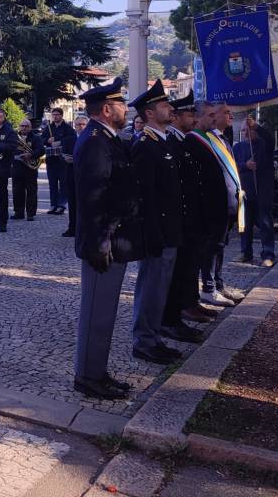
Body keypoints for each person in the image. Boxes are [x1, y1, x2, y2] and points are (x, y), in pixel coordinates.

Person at [72, 77, 140, 400]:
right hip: (103, 243)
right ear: (106, 109)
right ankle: (87, 376)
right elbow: (92, 198)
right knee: (96, 313)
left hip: (112, 239)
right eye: (121, 104)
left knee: (105, 311)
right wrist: (101, 241)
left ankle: (97, 370)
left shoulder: (107, 138)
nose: (126, 109)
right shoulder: (96, 142)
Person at [129, 81, 183, 366]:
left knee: (160, 288)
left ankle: (154, 337)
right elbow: (144, 197)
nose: (170, 109)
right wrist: (151, 234)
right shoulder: (145, 146)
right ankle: (144, 341)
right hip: (157, 233)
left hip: (169, 230)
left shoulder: (162, 142)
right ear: (150, 113)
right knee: (151, 287)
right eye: (164, 105)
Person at [161, 92, 207, 343]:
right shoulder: (173, 143)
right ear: (176, 117)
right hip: (179, 220)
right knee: (176, 274)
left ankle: (175, 317)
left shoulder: (182, 142)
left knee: (183, 271)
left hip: (187, 219)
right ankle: (170, 320)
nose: (194, 118)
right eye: (190, 114)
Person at [182, 101, 237, 309]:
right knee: (208, 250)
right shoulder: (194, 140)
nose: (214, 118)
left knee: (218, 247)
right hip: (208, 209)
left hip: (223, 206)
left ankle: (215, 285)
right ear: (198, 118)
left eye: (216, 114)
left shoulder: (214, 138)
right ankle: (207, 288)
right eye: (211, 114)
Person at [234, 114, 276, 266]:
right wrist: (245, 165)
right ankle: (246, 253)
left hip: (262, 191)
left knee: (265, 223)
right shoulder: (238, 147)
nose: (246, 133)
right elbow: (232, 165)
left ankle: (268, 254)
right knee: (244, 225)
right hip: (244, 191)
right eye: (244, 131)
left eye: (249, 130)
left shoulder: (264, 145)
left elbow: (271, 139)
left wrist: (257, 126)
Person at [42, 108, 75, 215]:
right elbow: (41, 140)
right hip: (51, 160)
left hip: (62, 160)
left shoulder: (68, 128)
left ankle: (61, 205)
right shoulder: (48, 127)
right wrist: (47, 140)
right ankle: (53, 205)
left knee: (63, 184)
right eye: (53, 115)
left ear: (61, 115)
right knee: (52, 184)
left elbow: (72, 139)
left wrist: (60, 141)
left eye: (57, 114)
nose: (55, 116)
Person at [11, 117, 44, 221]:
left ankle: (30, 214)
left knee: (31, 192)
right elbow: (10, 149)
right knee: (17, 192)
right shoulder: (14, 138)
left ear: (30, 127)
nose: (24, 128)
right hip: (17, 168)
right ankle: (18, 213)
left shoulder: (35, 138)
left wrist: (30, 154)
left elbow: (41, 150)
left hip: (30, 169)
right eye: (22, 126)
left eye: (26, 126)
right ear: (19, 127)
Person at [61, 115, 88, 237]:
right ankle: (72, 228)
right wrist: (65, 159)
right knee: (72, 204)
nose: (81, 127)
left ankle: (86, 229)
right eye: (78, 124)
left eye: (83, 124)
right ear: (75, 126)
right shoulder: (68, 140)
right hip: (71, 175)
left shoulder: (92, 139)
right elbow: (62, 157)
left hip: (86, 176)